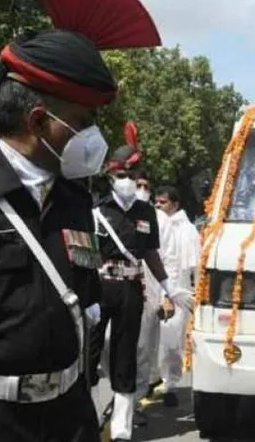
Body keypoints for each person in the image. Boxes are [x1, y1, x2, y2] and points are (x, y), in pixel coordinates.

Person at [0, 0, 159, 441]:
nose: (94, 137)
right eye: (84, 121)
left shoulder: (71, 200)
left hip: (68, 416)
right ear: (39, 119)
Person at [89, 147, 186, 442]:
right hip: (99, 288)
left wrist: (169, 287)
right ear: (110, 176)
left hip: (131, 288)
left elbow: (150, 253)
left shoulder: (146, 213)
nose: (127, 181)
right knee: (88, 356)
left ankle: (121, 428)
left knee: (125, 357)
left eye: (131, 176)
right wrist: (83, 296)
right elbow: (83, 254)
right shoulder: (97, 210)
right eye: (121, 175)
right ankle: (85, 417)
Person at [131, 169, 179, 422]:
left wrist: (166, 294)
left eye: (143, 185)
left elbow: (168, 259)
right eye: (135, 183)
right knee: (110, 347)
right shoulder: (106, 212)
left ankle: (134, 403)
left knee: (141, 349)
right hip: (114, 290)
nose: (138, 188)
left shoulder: (158, 219)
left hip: (149, 292)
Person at [154, 185, 200, 407]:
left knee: (172, 342)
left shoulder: (187, 230)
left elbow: (193, 266)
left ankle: (170, 383)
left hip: (176, 290)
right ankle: (151, 381)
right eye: (157, 201)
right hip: (151, 288)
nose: (158, 205)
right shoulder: (154, 223)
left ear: (175, 204)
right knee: (150, 342)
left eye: (163, 202)